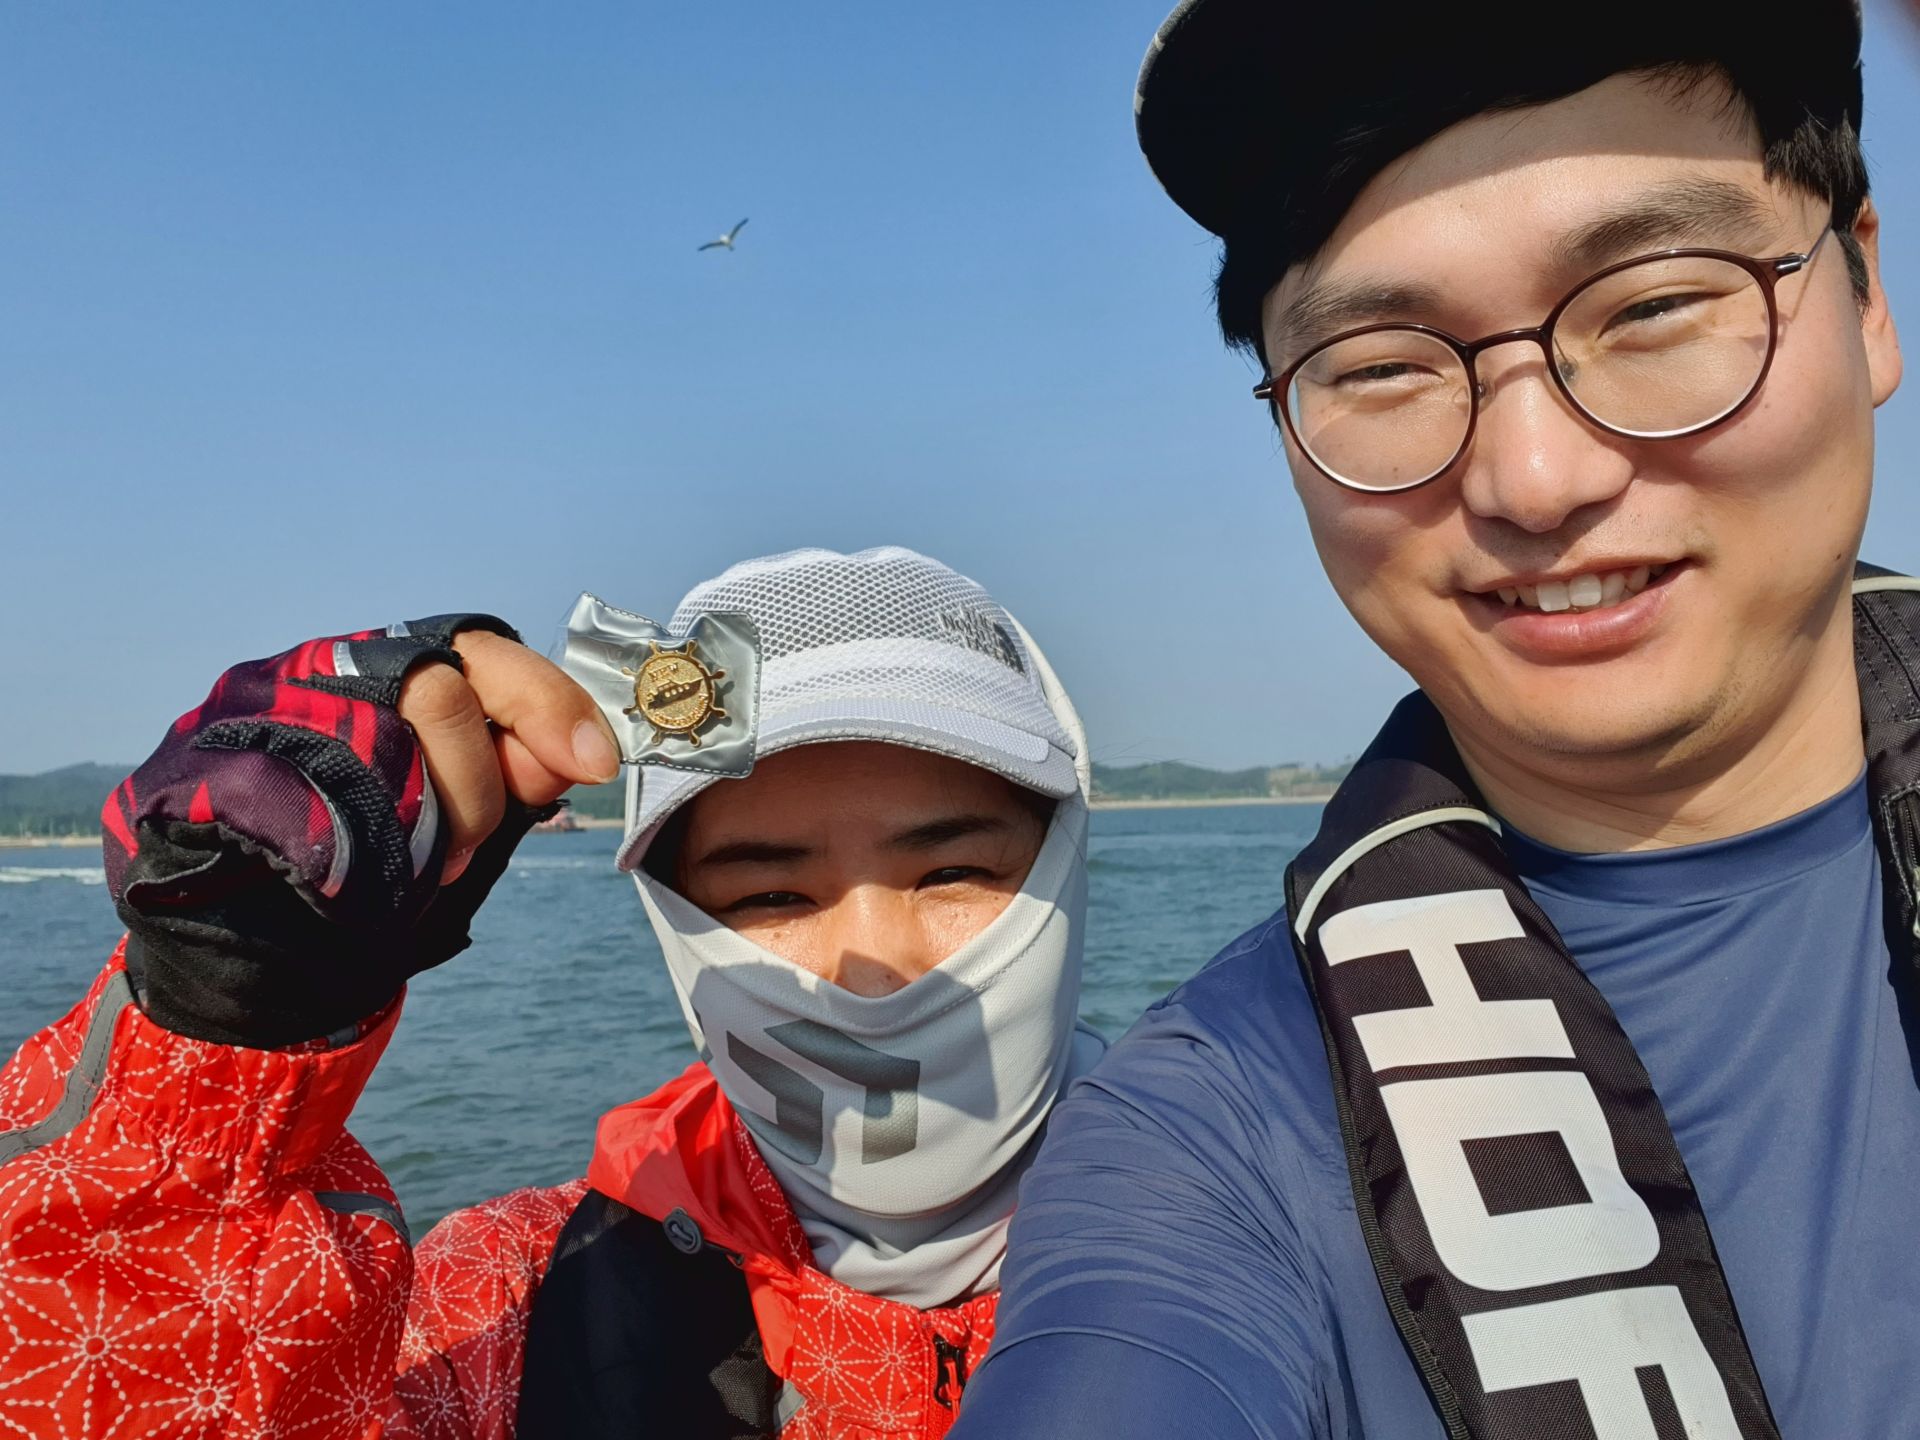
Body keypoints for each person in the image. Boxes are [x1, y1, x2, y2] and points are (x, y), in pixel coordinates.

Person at [952, 4, 1920, 1438]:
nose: (1533, 478)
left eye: (1652, 306)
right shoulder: (1213, 1140)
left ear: (1865, 292)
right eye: (1382, 366)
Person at [0, 546, 1101, 1438]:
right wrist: (221, 1031)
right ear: (676, 922)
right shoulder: (514, 1300)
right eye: (770, 893)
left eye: (953, 872)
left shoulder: (1206, 1219)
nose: (873, 957)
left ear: (1062, 868)